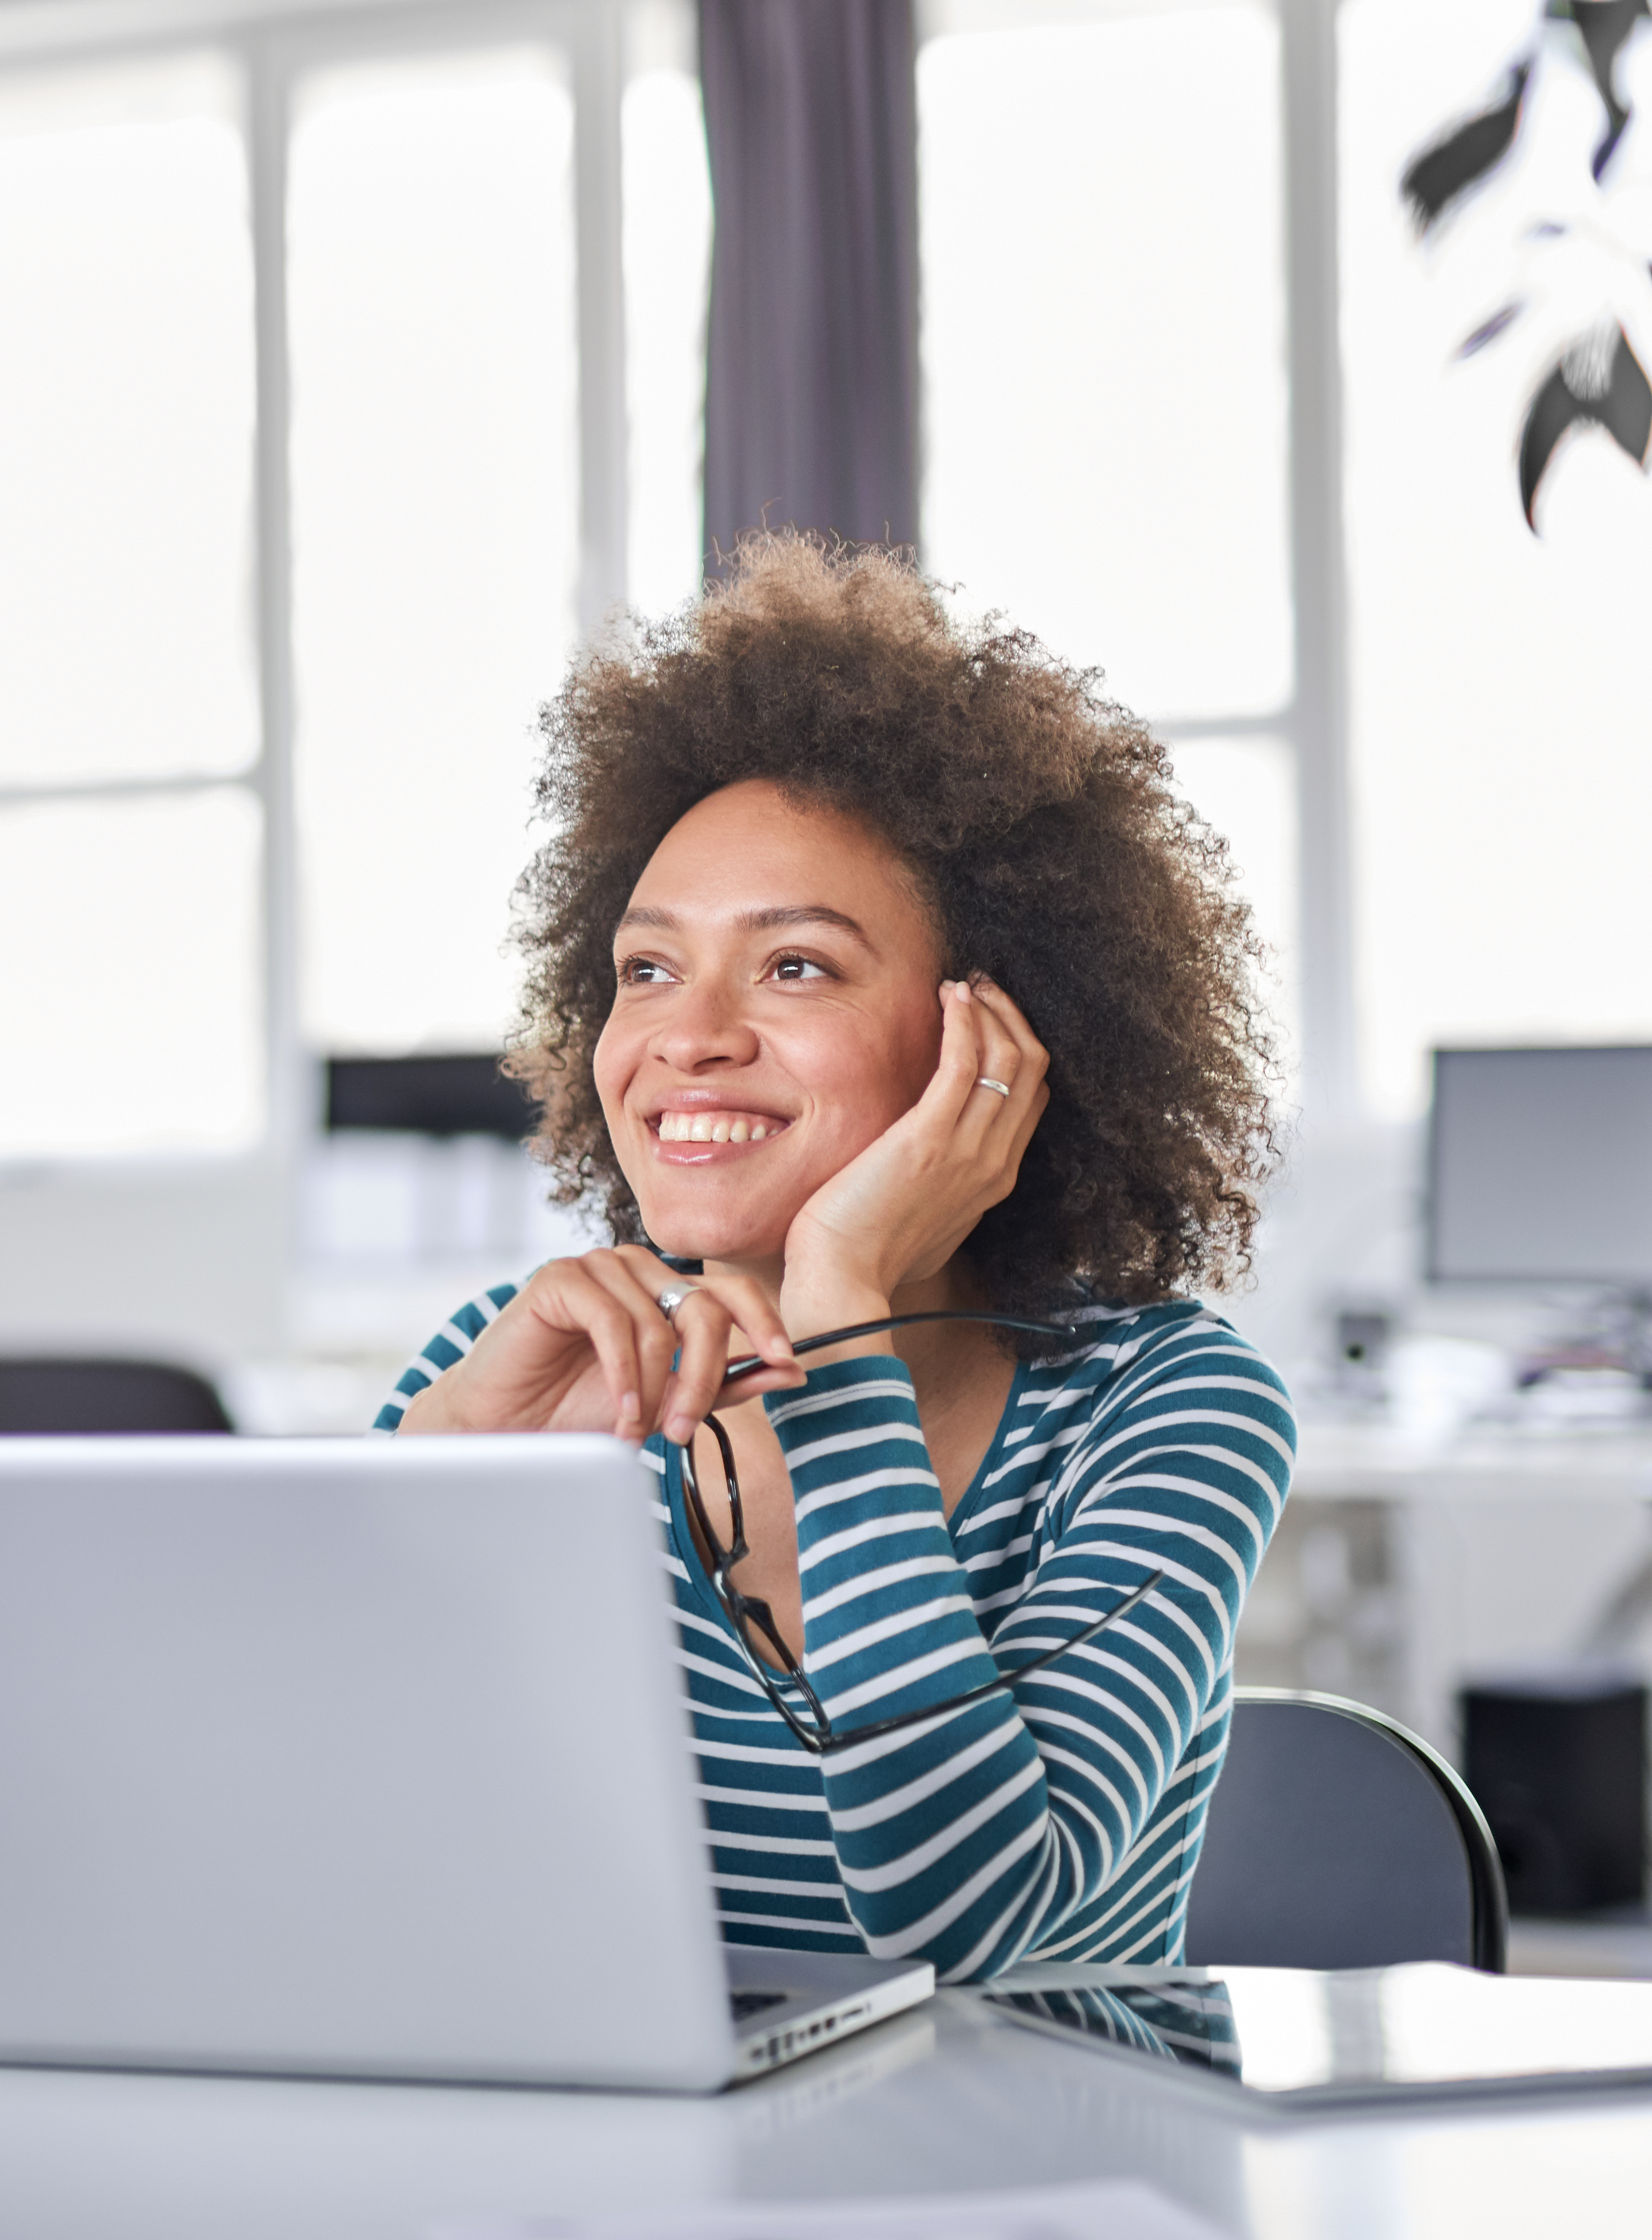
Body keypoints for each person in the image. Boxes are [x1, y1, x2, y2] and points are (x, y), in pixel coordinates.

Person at [382, 532, 1292, 1983]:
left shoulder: (1162, 1411)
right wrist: (433, 1485)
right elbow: (306, 1866)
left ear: (994, 1041)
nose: (689, 1036)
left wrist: (840, 1324)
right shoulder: (524, 1364)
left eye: (795, 965)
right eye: (647, 970)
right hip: (611, 2187)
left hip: (1032, 2181)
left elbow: (968, 1930)